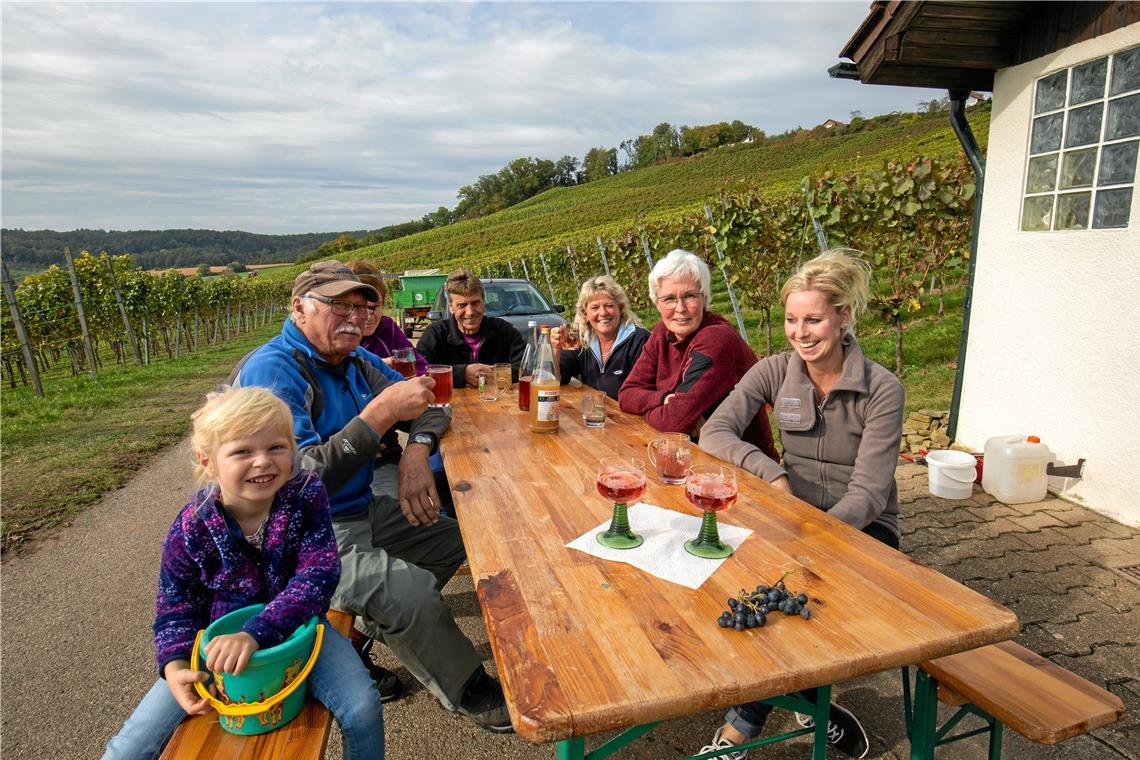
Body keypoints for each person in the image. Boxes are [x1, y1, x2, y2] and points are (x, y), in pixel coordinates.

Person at [235, 260, 512, 733]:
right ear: (299, 308)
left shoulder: (354, 361)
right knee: (410, 593)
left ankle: (368, 630)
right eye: (338, 305)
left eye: (361, 306)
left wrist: (415, 454)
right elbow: (294, 478)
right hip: (302, 534)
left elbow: (431, 408)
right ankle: (468, 685)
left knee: (469, 541)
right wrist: (377, 418)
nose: (355, 317)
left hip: (359, 510)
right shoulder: (275, 370)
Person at [695, 249, 905, 760]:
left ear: (844, 315)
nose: (800, 332)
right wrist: (774, 473)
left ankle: (738, 732)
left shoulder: (883, 389)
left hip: (862, 529)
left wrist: (814, 539)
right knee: (726, 583)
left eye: (813, 319)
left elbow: (871, 493)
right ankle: (817, 705)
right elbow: (713, 432)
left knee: (777, 604)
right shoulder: (773, 371)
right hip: (789, 517)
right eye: (792, 319)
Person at [102, 386, 384, 760]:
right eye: (242, 452)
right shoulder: (192, 528)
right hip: (216, 649)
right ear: (208, 463)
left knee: (363, 707)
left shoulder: (304, 493)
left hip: (299, 631)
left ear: (293, 449)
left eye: (276, 447)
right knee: (129, 747)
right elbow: (175, 608)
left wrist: (257, 632)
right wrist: (175, 665)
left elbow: (318, 574)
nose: (262, 462)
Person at [618, 249, 778, 460]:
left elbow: (673, 423)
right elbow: (626, 394)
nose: (680, 308)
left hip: (744, 469)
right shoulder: (661, 333)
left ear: (704, 298)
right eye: (669, 299)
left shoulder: (716, 339)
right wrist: (664, 398)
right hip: (693, 456)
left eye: (690, 296)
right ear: (657, 303)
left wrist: (656, 408)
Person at [416, 269, 526, 389]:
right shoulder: (435, 334)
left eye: (475, 303)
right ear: (451, 308)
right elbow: (420, 372)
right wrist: (462, 374)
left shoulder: (505, 331)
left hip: (497, 403)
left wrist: (489, 375)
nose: (470, 312)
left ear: (483, 302)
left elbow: (525, 368)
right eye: (461, 305)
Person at [549, 274, 650, 400]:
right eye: (595, 307)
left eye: (609, 305)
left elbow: (645, 393)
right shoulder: (583, 340)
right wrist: (555, 349)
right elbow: (557, 379)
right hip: (595, 415)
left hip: (629, 418)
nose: (603, 313)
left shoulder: (640, 341)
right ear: (585, 314)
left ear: (620, 308)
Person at [347, 259, 428, 376]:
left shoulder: (388, 328)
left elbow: (420, 367)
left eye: (375, 307)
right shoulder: (336, 337)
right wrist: (381, 364)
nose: (368, 315)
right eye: (360, 307)